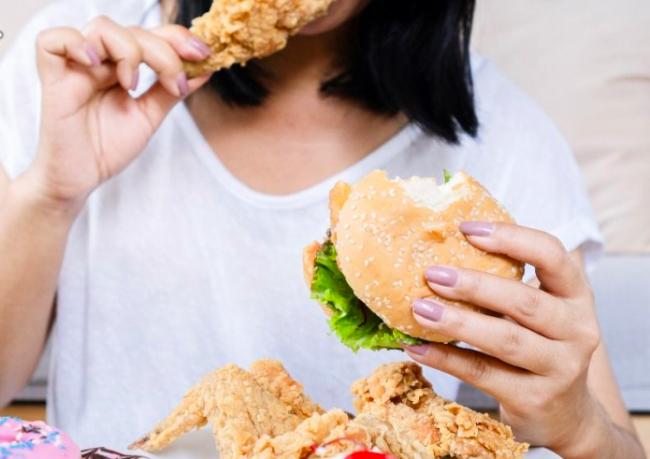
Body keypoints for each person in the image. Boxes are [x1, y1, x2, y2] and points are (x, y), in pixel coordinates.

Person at [0, 0, 643, 457]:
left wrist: (580, 428)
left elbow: (614, 442)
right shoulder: (75, 58)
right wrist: (50, 193)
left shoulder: (504, 135)